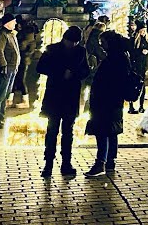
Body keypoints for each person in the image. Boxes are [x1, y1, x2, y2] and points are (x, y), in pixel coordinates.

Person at [36, 25, 90, 177]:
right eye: (71, 42)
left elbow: (85, 70)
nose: (73, 45)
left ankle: (66, 162)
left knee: (68, 131)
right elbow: (40, 68)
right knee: (52, 130)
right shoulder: (52, 49)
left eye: (76, 42)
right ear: (65, 39)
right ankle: (48, 163)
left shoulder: (81, 51)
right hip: (55, 93)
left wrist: (74, 73)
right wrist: (60, 72)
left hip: (71, 95)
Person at [85, 31, 131, 177]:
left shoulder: (114, 59)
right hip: (113, 100)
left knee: (103, 130)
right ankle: (110, 160)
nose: (101, 45)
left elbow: (109, 80)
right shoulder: (121, 57)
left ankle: (101, 162)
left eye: (103, 42)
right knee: (112, 130)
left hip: (106, 100)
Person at [0, 15, 20, 128]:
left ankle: (1, 117)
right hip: (6, 68)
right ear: (8, 23)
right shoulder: (2, 34)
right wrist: (3, 65)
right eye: (14, 22)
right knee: (0, 94)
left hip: (12, 68)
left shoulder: (11, 34)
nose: (15, 23)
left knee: (5, 94)